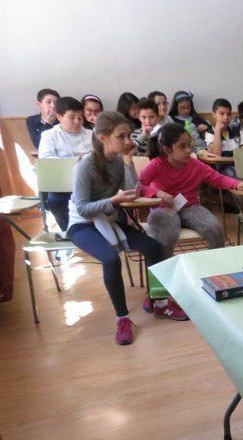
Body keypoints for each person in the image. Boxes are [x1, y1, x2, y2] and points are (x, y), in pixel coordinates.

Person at [67, 111, 182, 344]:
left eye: (130, 135)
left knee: (153, 247)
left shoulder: (119, 160)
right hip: (83, 225)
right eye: (122, 136)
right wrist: (113, 201)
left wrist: (129, 162)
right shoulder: (85, 166)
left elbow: (132, 193)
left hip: (110, 218)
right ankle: (122, 318)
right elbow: (81, 208)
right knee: (111, 260)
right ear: (103, 138)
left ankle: (158, 302)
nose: (129, 141)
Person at [139, 123, 243, 256]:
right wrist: (157, 193)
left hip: (190, 207)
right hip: (163, 209)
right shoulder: (157, 164)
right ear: (167, 150)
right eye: (182, 146)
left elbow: (217, 178)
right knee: (167, 234)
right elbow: (138, 185)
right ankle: (164, 271)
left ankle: (217, 265)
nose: (188, 150)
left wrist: (236, 184)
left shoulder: (196, 165)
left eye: (189, 145)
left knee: (214, 228)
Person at [38, 96, 94, 232]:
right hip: (63, 184)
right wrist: (75, 161)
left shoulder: (91, 134)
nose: (77, 121)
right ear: (59, 117)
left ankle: (92, 229)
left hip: (90, 181)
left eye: (80, 118)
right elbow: (46, 159)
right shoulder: (49, 135)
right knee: (54, 200)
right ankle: (68, 230)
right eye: (72, 117)